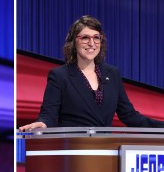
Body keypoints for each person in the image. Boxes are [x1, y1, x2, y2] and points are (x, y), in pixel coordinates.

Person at [19, 15, 164, 131]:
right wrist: (42, 123)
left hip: (106, 152)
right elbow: (48, 114)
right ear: (73, 43)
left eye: (96, 38)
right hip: (74, 150)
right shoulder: (59, 76)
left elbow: (129, 116)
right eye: (85, 38)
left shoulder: (112, 74)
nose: (92, 43)